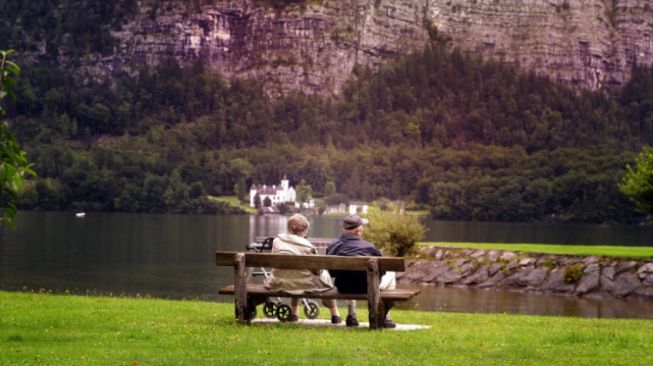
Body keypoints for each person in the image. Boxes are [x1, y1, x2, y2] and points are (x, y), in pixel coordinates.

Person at [265, 213, 342, 324]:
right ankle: (335, 314)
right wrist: (321, 272)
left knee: (295, 274)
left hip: (278, 282)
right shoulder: (307, 246)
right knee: (324, 276)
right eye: (305, 232)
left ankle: (293, 313)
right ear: (302, 231)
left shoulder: (277, 241)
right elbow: (317, 270)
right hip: (303, 284)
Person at [326, 214, 397, 328]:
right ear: (359, 231)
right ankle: (386, 317)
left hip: (343, 287)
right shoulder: (370, 247)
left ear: (343, 229)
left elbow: (331, 273)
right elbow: (381, 272)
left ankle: (352, 315)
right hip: (367, 287)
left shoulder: (333, 247)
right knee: (391, 274)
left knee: (349, 277)